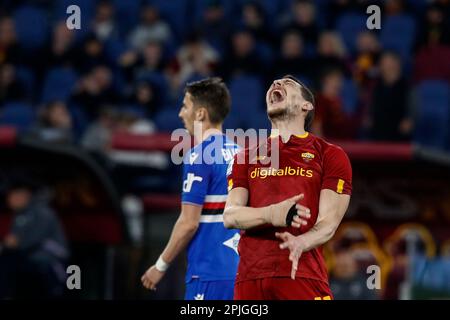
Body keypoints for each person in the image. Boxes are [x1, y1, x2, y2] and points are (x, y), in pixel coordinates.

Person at [224, 75, 352, 300]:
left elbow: (328, 224)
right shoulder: (244, 156)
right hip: (248, 280)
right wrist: (272, 214)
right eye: (274, 83)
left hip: (301, 275)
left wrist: (301, 242)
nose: (276, 84)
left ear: (307, 105)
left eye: (288, 83)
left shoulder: (330, 155)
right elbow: (230, 216)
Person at [141, 78, 240, 300]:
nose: (180, 113)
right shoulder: (242, 153)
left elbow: (188, 223)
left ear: (200, 113)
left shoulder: (199, 155)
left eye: (185, 105)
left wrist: (160, 265)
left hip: (208, 273)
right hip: (242, 273)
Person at [0, 174, 69, 299]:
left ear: (23, 194)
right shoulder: (20, 215)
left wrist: (9, 244)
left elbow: (22, 242)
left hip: (50, 264)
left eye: (11, 195)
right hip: (30, 263)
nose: (8, 200)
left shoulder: (42, 212)